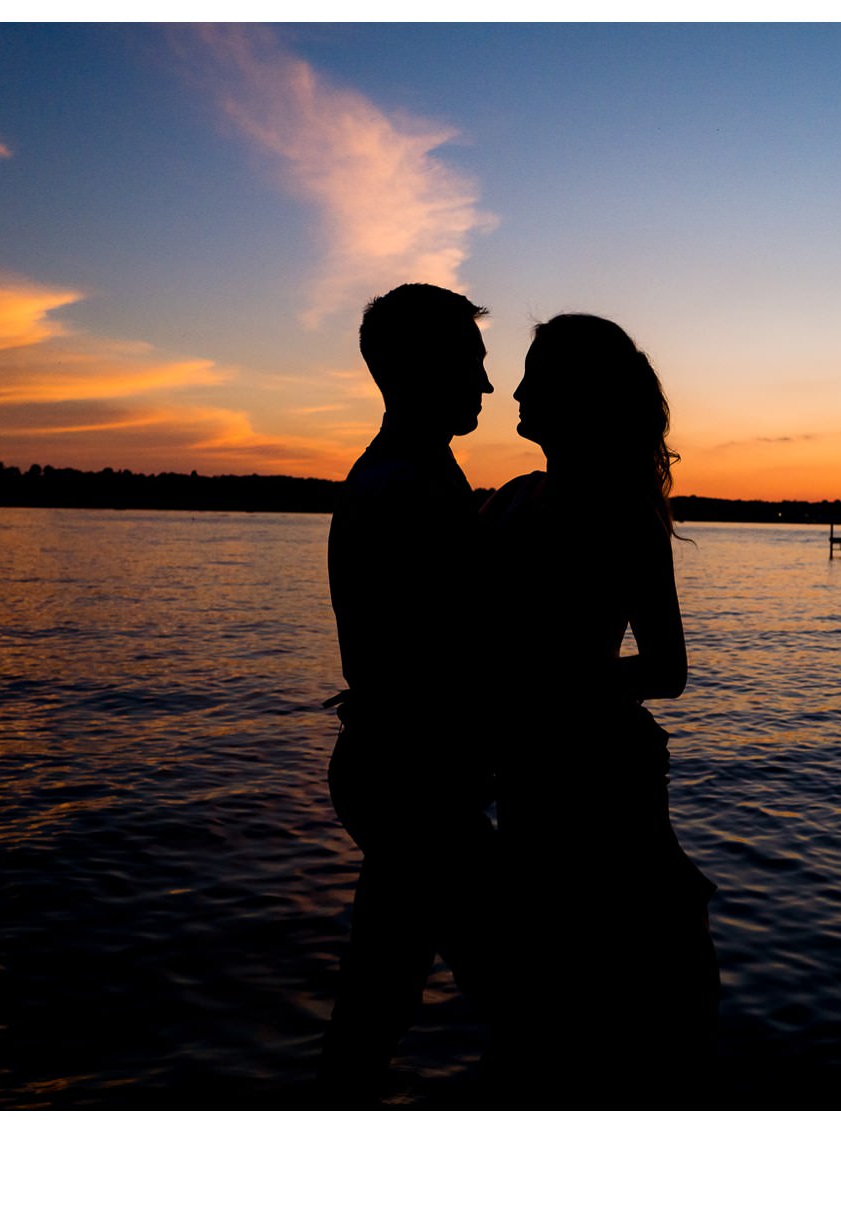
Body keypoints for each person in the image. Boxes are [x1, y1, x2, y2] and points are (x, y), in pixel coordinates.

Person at [480, 313, 718, 1105]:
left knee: (624, 987)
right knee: (541, 997)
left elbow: (668, 669)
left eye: (534, 375)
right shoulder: (510, 499)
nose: (514, 390)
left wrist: (563, 684)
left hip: (603, 778)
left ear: (577, 395)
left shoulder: (624, 514)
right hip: (528, 774)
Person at [321, 282, 497, 1099]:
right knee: (522, 997)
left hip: (398, 772)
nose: (487, 387)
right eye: (473, 363)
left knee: (377, 1000)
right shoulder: (407, 490)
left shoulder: (413, 475)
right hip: (414, 782)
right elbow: (451, 656)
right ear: (425, 369)